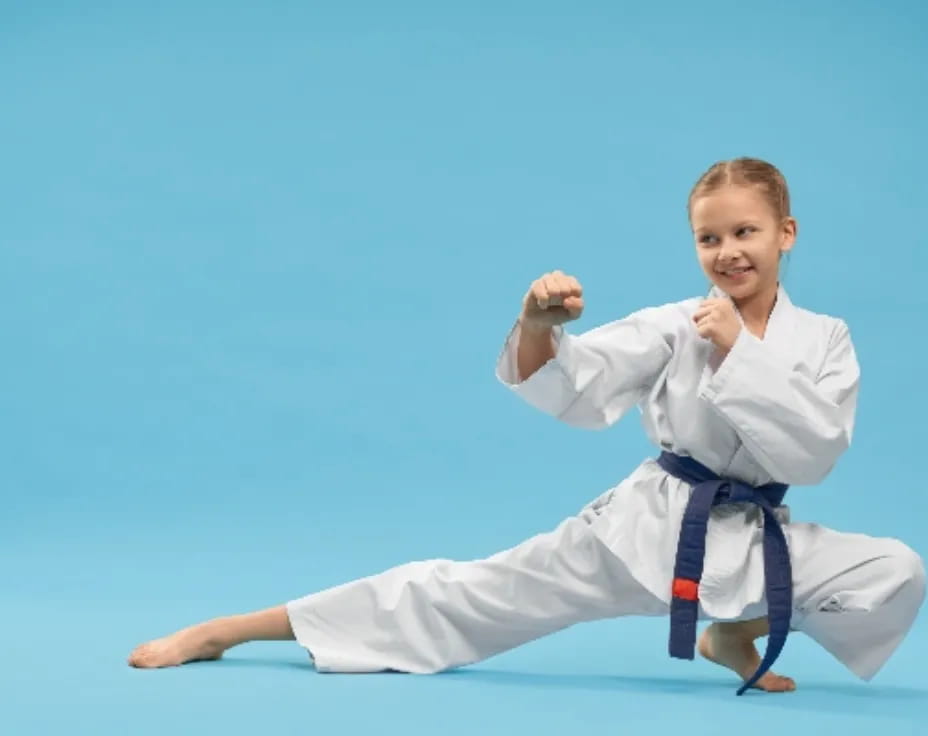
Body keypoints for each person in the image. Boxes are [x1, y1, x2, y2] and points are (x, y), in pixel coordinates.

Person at [128, 158, 925, 694]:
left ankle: (731, 635)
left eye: (745, 232)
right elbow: (580, 382)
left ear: (786, 233)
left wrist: (742, 357)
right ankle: (231, 629)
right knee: (462, 594)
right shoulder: (678, 322)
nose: (727, 252)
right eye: (709, 237)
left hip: (753, 537)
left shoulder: (825, 338)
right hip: (646, 531)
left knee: (893, 570)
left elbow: (817, 450)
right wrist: (539, 325)